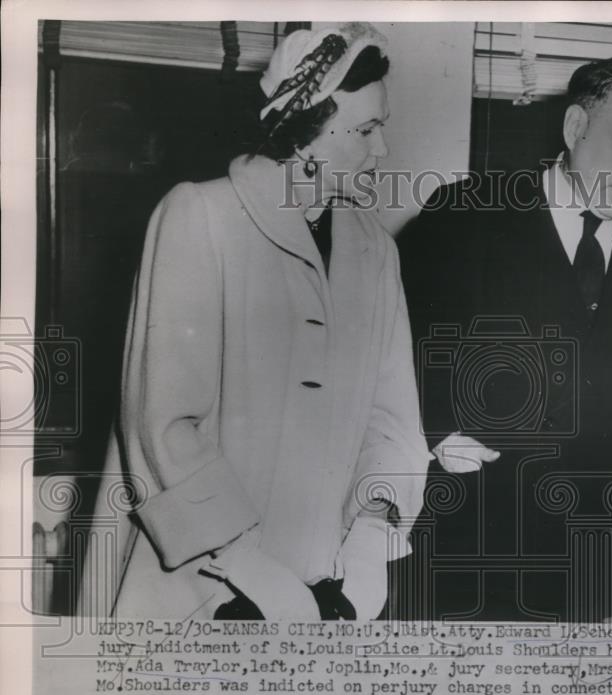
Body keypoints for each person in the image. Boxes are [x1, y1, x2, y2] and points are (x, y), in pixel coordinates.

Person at [77, 23, 429, 621]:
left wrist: (373, 539)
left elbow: (391, 420)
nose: (382, 150)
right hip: (199, 586)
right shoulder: (201, 215)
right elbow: (161, 424)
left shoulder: (375, 250)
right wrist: (247, 561)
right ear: (305, 132)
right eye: (366, 130)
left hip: (326, 591)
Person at [399, 57, 612, 622]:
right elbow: (406, 345)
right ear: (574, 128)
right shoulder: (465, 213)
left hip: (603, 539)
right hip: (480, 523)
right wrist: (440, 428)